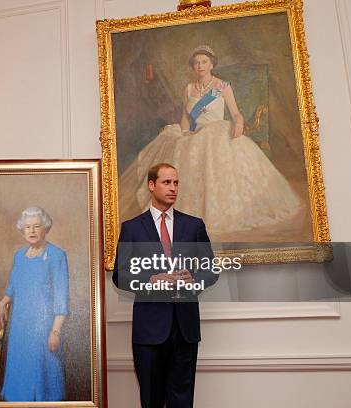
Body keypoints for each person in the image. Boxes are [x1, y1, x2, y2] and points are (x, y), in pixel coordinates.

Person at [119, 45, 302, 238]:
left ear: (212, 64)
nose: (200, 66)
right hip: (194, 134)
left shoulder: (222, 86)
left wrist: (239, 123)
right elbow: (185, 117)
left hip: (216, 132)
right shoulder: (189, 88)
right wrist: (183, 133)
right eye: (196, 62)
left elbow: (236, 113)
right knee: (179, 148)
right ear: (193, 66)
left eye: (204, 62)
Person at [113, 163, 219, 408]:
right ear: (152, 186)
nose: (173, 188)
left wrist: (195, 280)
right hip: (149, 330)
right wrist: (149, 280)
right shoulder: (132, 228)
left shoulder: (194, 226)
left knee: (182, 400)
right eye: (167, 182)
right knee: (151, 400)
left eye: (176, 183)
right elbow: (121, 274)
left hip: (185, 329)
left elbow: (211, 270)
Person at [0, 207, 69, 401]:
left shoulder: (57, 255)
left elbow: (62, 298)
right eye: (28, 227)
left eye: (37, 226)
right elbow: (13, 287)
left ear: (45, 228)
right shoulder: (19, 257)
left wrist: (55, 331)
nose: (32, 231)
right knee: (19, 382)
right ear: (22, 229)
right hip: (19, 329)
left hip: (42, 330)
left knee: (40, 383)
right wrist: (4, 301)